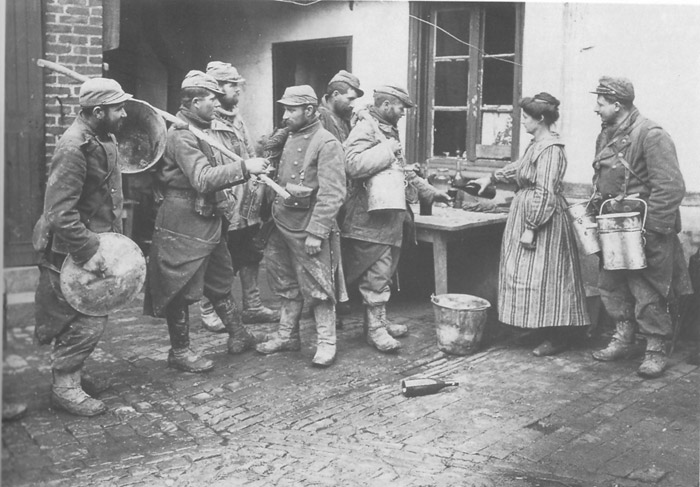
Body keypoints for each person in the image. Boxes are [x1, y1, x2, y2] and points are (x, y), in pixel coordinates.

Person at [145, 71, 269, 373]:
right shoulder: (182, 135)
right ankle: (180, 351)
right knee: (179, 285)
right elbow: (201, 178)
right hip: (182, 221)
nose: (217, 103)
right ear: (195, 101)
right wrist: (244, 167)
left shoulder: (203, 130)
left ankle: (238, 333)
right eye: (211, 99)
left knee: (220, 277)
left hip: (208, 217)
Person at [33, 78, 131, 416]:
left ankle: (73, 374)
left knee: (85, 315)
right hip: (69, 249)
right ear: (99, 111)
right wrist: (88, 252)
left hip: (91, 241)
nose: (124, 114)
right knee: (84, 319)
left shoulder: (102, 136)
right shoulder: (73, 147)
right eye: (118, 108)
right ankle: (64, 387)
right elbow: (60, 211)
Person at [587, 76, 691, 378]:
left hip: (644, 227)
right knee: (612, 284)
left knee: (649, 289)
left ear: (617, 104)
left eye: (601, 102)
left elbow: (670, 187)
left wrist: (652, 230)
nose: (596, 108)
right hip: (613, 225)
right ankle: (623, 337)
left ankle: (656, 349)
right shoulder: (607, 133)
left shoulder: (651, 134)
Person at [473, 93, 590, 356]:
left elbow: (545, 192)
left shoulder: (551, 149)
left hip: (543, 222)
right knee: (527, 276)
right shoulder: (535, 145)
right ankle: (538, 328)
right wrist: (491, 176)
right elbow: (521, 168)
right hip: (526, 215)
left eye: (525, 117)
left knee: (548, 276)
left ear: (540, 118)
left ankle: (560, 335)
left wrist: (531, 226)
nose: (522, 121)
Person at [341, 86, 450, 353]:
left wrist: (429, 191)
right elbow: (350, 164)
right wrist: (387, 150)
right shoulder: (365, 128)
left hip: (387, 217)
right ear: (387, 105)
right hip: (368, 219)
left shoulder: (386, 129)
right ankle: (375, 330)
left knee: (384, 273)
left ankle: (377, 323)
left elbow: (400, 169)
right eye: (401, 108)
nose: (403, 113)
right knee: (376, 276)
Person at [255, 85, 346, 367]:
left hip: (308, 228)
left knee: (319, 287)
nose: (285, 115)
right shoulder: (288, 137)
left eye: (291, 109)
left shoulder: (326, 142)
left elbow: (333, 193)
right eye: (284, 108)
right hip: (280, 223)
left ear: (309, 110)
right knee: (284, 282)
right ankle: (287, 335)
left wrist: (317, 232)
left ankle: (327, 342)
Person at [195, 61, 280, 333]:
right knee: (222, 259)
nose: (238, 91)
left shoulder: (236, 118)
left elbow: (247, 153)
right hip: (226, 202)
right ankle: (210, 309)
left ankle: (252, 305)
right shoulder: (206, 124)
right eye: (232, 85)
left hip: (248, 201)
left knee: (251, 253)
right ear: (217, 89)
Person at [318, 70, 364, 317]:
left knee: (338, 251)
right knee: (327, 253)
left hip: (343, 195)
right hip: (327, 196)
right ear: (334, 95)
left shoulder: (343, 118)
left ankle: (338, 300)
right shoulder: (320, 118)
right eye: (349, 98)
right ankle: (327, 307)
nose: (352, 104)